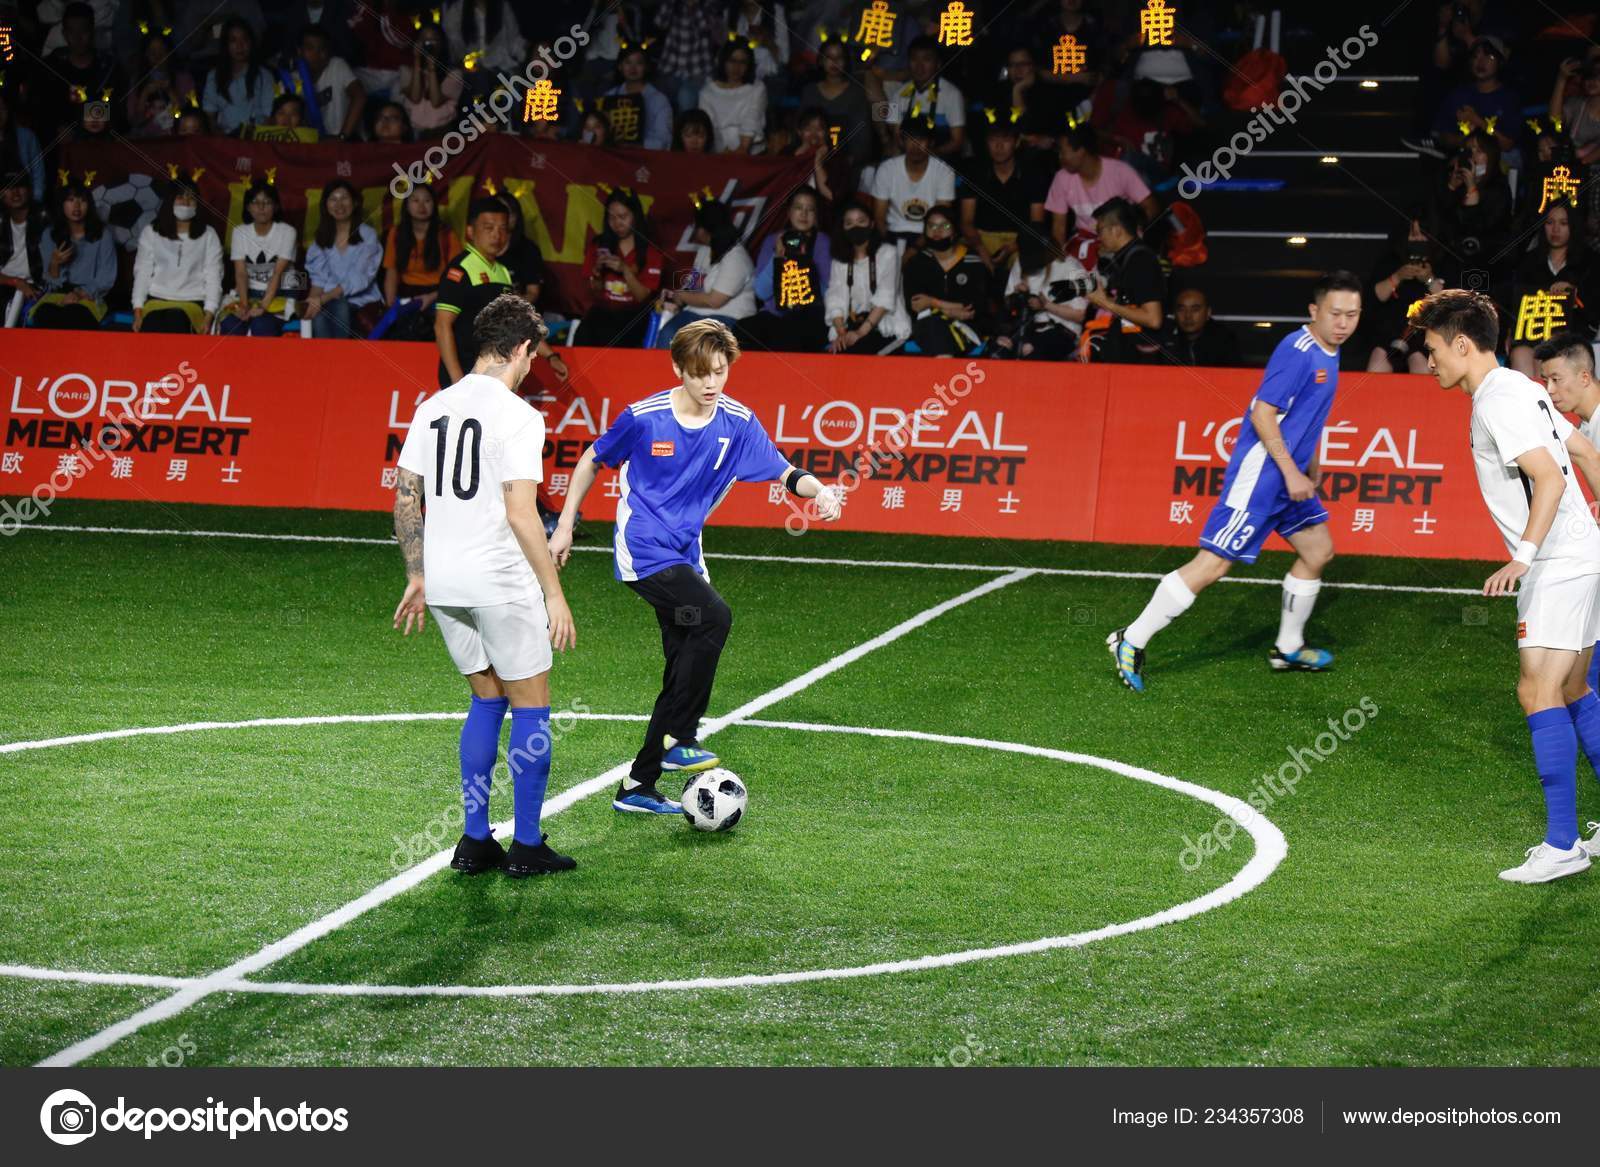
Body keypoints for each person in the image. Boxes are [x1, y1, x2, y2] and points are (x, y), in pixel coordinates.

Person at [547, 319, 843, 813]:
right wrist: (563, 526)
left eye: (721, 373)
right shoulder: (645, 418)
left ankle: (637, 786)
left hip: (686, 552)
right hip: (642, 548)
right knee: (715, 616)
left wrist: (822, 491)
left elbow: (787, 472)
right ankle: (681, 738)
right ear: (679, 368)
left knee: (681, 666)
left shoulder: (737, 422)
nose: (711, 384)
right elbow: (591, 460)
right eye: (701, 373)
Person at [1412, 289, 1600, 882]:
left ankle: (1563, 844)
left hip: (1557, 562)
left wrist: (1523, 557)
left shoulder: (1499, 398)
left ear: (1462, 344)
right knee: (1572, 687)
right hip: (1579, 552)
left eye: (1434, 347)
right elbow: (1581, 450)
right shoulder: (1524, 388)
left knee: (1536, 690)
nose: (1429, 359)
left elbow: (1547, 477)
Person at [392, 293, 579, 878]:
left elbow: (405, 495)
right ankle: (526, 845)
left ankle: (475, 840)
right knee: (531, 709)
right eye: (532, 357)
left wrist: (417, 573)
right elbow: (522, 512)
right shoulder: (519, 416)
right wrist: (553, 592)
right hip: (498, 579)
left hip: (446, 582)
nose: (531, 368)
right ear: (521, 347)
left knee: (485, 699)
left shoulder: (433, 406)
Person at [1108, 271, 1364, 693]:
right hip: (1262, 477)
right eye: (1336, 313)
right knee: (1212, 566)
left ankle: (1288, 646)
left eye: (1353, 315)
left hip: (1289, 476)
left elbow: (1304, 415)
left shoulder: (1330, 352)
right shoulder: (1297, 352)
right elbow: (1263, 414)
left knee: (1318, 551)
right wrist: (1290, 471)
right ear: (1314, 311)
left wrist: (1311, 462)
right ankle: (1131, 640)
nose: (1344, 323)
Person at [1537, 334, 1600, 696]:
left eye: (1556, 379)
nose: (1549, 390)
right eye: (1545, 380)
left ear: (1585, 377)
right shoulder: (1584, 429)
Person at [656, 198, 757, 347]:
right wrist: (674, 298)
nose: (695, 231)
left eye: (695, 227)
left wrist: (682, 296)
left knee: (693, 341)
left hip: (728, 318)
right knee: (666, 332)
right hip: (694, 314)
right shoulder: (704, 250)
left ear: (704, 230)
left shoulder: (736, 257)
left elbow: (714, 301)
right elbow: (692, 284)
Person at [958, 110, 1049, 274]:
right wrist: (980, 248)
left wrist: (1013, 247)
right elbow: (966, 222)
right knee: (962, 260)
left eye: (1005, 140)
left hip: (1018, 240)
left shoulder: (1033, 174)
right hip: (981, 238)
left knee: (1029, 261)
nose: (999, 147)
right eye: (993, 140)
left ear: (1016, 143)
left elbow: (1037, 225)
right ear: (986, 143)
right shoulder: (975, 172)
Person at [742, 185, 831, 353]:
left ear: (816, 215)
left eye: (810, 209)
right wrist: (777, 257)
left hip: (811, 315)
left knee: (788, 334)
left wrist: (805, 262)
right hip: (775, 314)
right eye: (798, 208)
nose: (804, 214)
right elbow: (761, 292)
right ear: (789, 212)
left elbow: (829, 292)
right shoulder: (773, 241)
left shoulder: (822, 242)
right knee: (741, 331)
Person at [1509, 200, 1592, 376]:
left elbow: (1593, 311)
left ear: (1573, 226)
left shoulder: (1589, 262)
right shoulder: (1529, 261)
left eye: (1563, 223)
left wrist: (1574, 294)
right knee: (1519, 353)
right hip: (1532, 335)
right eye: (1549, 223)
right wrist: (1510, 332)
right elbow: (1516, 304)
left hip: (1573, 338)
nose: (1555, 229)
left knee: (1544, 354)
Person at [1045, 123, 1159, 252]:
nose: (1060, 157)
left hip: (1121, 243)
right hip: (1086, 244)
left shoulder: (1119, 171)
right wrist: (1058, 264)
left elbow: (1151, 206)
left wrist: (1134, 235)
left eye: (1063, 152)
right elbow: (1058, 228)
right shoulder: (1061, 178)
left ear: (1081, 151)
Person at [131, 180, 222, 333]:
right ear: (170, 200)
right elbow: (142, 273)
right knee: (152, 325)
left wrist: (208, 316)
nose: (186, 202)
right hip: (156, 299)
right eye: (180, 197)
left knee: (176, 321)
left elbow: (214, 277)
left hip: (192, 301)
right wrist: (138, 311)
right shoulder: (151, 232)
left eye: (191, 198)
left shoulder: (209, 235)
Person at [578, 187, 663, 348]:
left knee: (618, 334)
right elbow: (595, 293)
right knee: (585, 332)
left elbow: (643, 297)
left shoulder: (650, 251)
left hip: (634, 313)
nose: (617, 223)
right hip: (604, 310)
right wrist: (596, 274)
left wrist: (625, 270)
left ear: (635, 216)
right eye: (612, 218)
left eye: (623, 216)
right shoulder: (598, 245)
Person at [1084, 197, 1164, 363]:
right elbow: (1134, 303)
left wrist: (1107, 303)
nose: (1098, 237)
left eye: (1100, 231)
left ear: (1116, 230)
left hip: (1142, 359)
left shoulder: (1140, 260)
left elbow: (1153, 318)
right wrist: (1104, 300)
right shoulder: (1126, 258)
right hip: (1127, 349)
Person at [825, 197, 910, 354]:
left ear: (871, 224)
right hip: (850, 325)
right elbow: (834, 298)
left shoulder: (888, 254)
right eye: (849, 223)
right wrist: (842, 334)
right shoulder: (839, 260)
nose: (855, 226)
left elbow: (885, 298)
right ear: (843, 228)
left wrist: (860, 333)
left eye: (861, 221)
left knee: (859, 352)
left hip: (884, 327)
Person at [901, 204, 989, 356]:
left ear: (954, 230)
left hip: (966, 327)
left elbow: (975, 307)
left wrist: (932, 302)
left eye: (945, 225)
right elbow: (915, 305)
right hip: (928, 325)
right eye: (931, 226)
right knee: (934, 326)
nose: (937, 231)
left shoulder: (973, 261)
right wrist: (951, 309)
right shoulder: (917, 263)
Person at [1365, 213, 1446, 373]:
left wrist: (1428, 280)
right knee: (1377, 361)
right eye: (1413, 234)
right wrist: (1398, 276)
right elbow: (1376, 296)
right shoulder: (1390, 261)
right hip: (1390, 334)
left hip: (1426, 335)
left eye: (1422, 234)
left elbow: (1449, 304)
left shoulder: (1442, 262)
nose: (1417, 240)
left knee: (1419, 362)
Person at [31, 178, 117, 329]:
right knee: (44, 313)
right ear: (62, 204)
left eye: (82, 201)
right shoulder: (49, 234)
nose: (76, 206)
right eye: (70, 200)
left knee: (75, 315)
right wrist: (54, 263)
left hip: (90, 295)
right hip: (58, 293)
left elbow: (106, 278)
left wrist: (79, 294)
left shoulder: (103, 235)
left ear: (89, 205)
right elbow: (50, 283)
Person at [990, 231, 1088, 360]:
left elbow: (1080, 315)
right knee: (998, 349)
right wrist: (1020, 296)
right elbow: (1008, 302)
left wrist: (1046, 305)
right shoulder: (1022, 261)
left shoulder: (1073, 267)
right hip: (1026, 326)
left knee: (1031, 352)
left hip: (1061, 330)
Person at [304, 180, 384, 338]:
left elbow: (359, 277)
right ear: (326, 205)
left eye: (344, 198)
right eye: (333, 199)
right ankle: (326, 362)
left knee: (340, 306)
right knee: (318, 316)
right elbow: (318, 280)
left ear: (354, 203)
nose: (339, 204)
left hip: (360, 300)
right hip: (326, 300)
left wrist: (323, 298)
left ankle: (342, 359)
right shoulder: (321, 239)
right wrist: (313, 302)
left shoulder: (368, 235)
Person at [222, 177, 298, 336]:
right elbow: (241, 273)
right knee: (230, 325)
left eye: (267, 202)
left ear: (275, 206)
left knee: (262, 325)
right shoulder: (240, 232)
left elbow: (278, 273)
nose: (261, 207)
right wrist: (243, 305)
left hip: (281, 293)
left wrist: (263, 306)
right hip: (248, 293)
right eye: (256, 202)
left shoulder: (287, 232)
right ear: (248, 207)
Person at [871, 114, 956, 254]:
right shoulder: (887, 169)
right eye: (910, 139)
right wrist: (890, 249)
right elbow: (879, 218)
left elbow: (941, 217)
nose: (915, 146)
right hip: (893, 233)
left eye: (921, 140)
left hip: (931, 235)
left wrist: (913, 250)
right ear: (902, 142)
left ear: (931, 142)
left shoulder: (944, 172)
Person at [882, 35, 965, 159]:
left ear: (938, 64)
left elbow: (957, 141)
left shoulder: (952, 94)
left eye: (926, 59)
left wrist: (928, 155)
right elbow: (897, 136)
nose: (919, 66)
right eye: (914, 59)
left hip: (940, 161)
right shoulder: (898, 94)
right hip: (908, 159)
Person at [799, 36, 873, 169]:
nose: (834, 62)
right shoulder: (809, 92)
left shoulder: (856, 93)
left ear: (845, 61)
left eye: (839, 57)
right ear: (821, 61)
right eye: (829, 57)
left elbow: (862, 137)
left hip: (847, 163)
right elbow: (801, 129)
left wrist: (848, 162)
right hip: (811, 160)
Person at [202, 18, 274, 134]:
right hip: (225, 142)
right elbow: (209, 116)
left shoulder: (264, 76)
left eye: (244, 39)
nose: (240, 46)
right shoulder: (214, 76)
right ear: (226, 45)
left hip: (255, 140)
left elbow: (268, 116)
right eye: (233, 40)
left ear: (251, 42)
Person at [296, 25, 366, 140]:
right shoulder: (293, 78)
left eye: (322, 49)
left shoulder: (337, 65)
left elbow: (360, 96)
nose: (318, 54)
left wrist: (342, 137)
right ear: (299, 51)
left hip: (344, 141)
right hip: (310, 144)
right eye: (310, 48)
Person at [697, 39, 766, 154]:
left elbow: (752, 119)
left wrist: (742, 149)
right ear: (723, 62)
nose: (737, 67)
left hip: (751, 153)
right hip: (716, 153)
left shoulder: (757, 88)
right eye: (732, 60)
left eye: (742, 62)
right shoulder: (707, 93)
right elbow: (707, 126)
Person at [400, 23, 465, 137]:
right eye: (424, 40)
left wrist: (432, 68)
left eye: (432, 40)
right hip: (413, 130)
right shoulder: (406, 70)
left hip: (442, 130)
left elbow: (436, 101)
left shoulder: (454, 73)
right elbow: (415, 97)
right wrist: (417, 62)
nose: (428, 45)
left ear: (441, 43)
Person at [606, 44, 673, 151]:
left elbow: (664, 141)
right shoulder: (609, 97)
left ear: (646, 67)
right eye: (628, 62)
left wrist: (636, 147)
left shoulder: (659, 100)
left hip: (648, 157)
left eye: (639, 63)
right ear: (620, 66)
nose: (633, 68)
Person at [0, 176, 47, 323]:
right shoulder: (1, 222)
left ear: (30, 190)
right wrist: (16, 282)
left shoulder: (44, 221)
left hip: (36, 286)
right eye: (9, 187)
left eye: (20, 186)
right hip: (6, 283)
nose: (15, 192)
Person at [442, 0, 526, 80]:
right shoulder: (457, 10)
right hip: (472, 72)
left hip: (501, 67)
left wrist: (528, 56)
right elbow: (454, 45)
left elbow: (515, 40)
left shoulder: (502, 7)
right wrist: (463, 62)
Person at [1167, 286, 1242, 367]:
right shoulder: (1167, 339)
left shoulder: (1224, 340)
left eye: (1195, 309)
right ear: (1174, 313)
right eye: (1182, 309)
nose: (1188, 316)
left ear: (1208, 313)